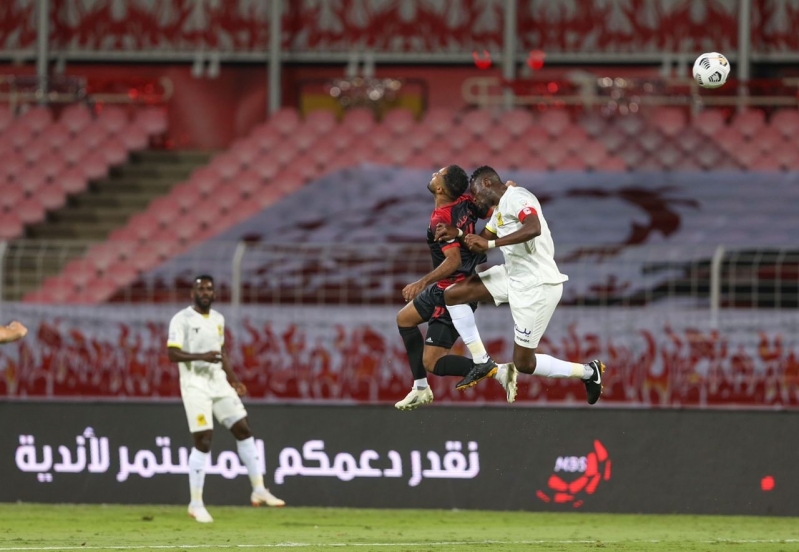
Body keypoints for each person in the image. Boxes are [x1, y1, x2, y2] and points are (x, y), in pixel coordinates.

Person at [435, 166, 605, 404]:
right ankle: (482, 361)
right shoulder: (500, 210)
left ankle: (589, 372)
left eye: (475, 193)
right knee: (453, 294)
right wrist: (459, 234)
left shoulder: (518, 197)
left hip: (537, 285)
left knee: (524, 363)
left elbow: (533, 228)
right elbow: (482, 240)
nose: (475, 200)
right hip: (513, 275)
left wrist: (491, 246)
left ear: (486, 184)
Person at [395, 166, 517, 410]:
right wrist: (506, 194)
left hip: (452, 293)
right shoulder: (465, 201)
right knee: (404, 319)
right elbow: (485, 208)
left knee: (433, 362)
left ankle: (498, 371)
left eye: (437, 174)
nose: (433, 174)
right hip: (446, 286)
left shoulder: (440, 219)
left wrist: (421, 282)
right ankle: (420, 388)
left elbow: (453, 261)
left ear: (440, 188)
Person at [167, 275, 284, 523]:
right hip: (194, 384)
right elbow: (172, 353)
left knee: (243, 429)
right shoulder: (182, 319)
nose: (205, 292)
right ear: (193, 294)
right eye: (201, 289)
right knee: (204, 439)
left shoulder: (218, 319)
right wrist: (201, 356)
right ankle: (196, 503)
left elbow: (221, 353)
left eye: (209, 288)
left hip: (218, 382)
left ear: (214, 294)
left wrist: (234, 379)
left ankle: (259, 489)